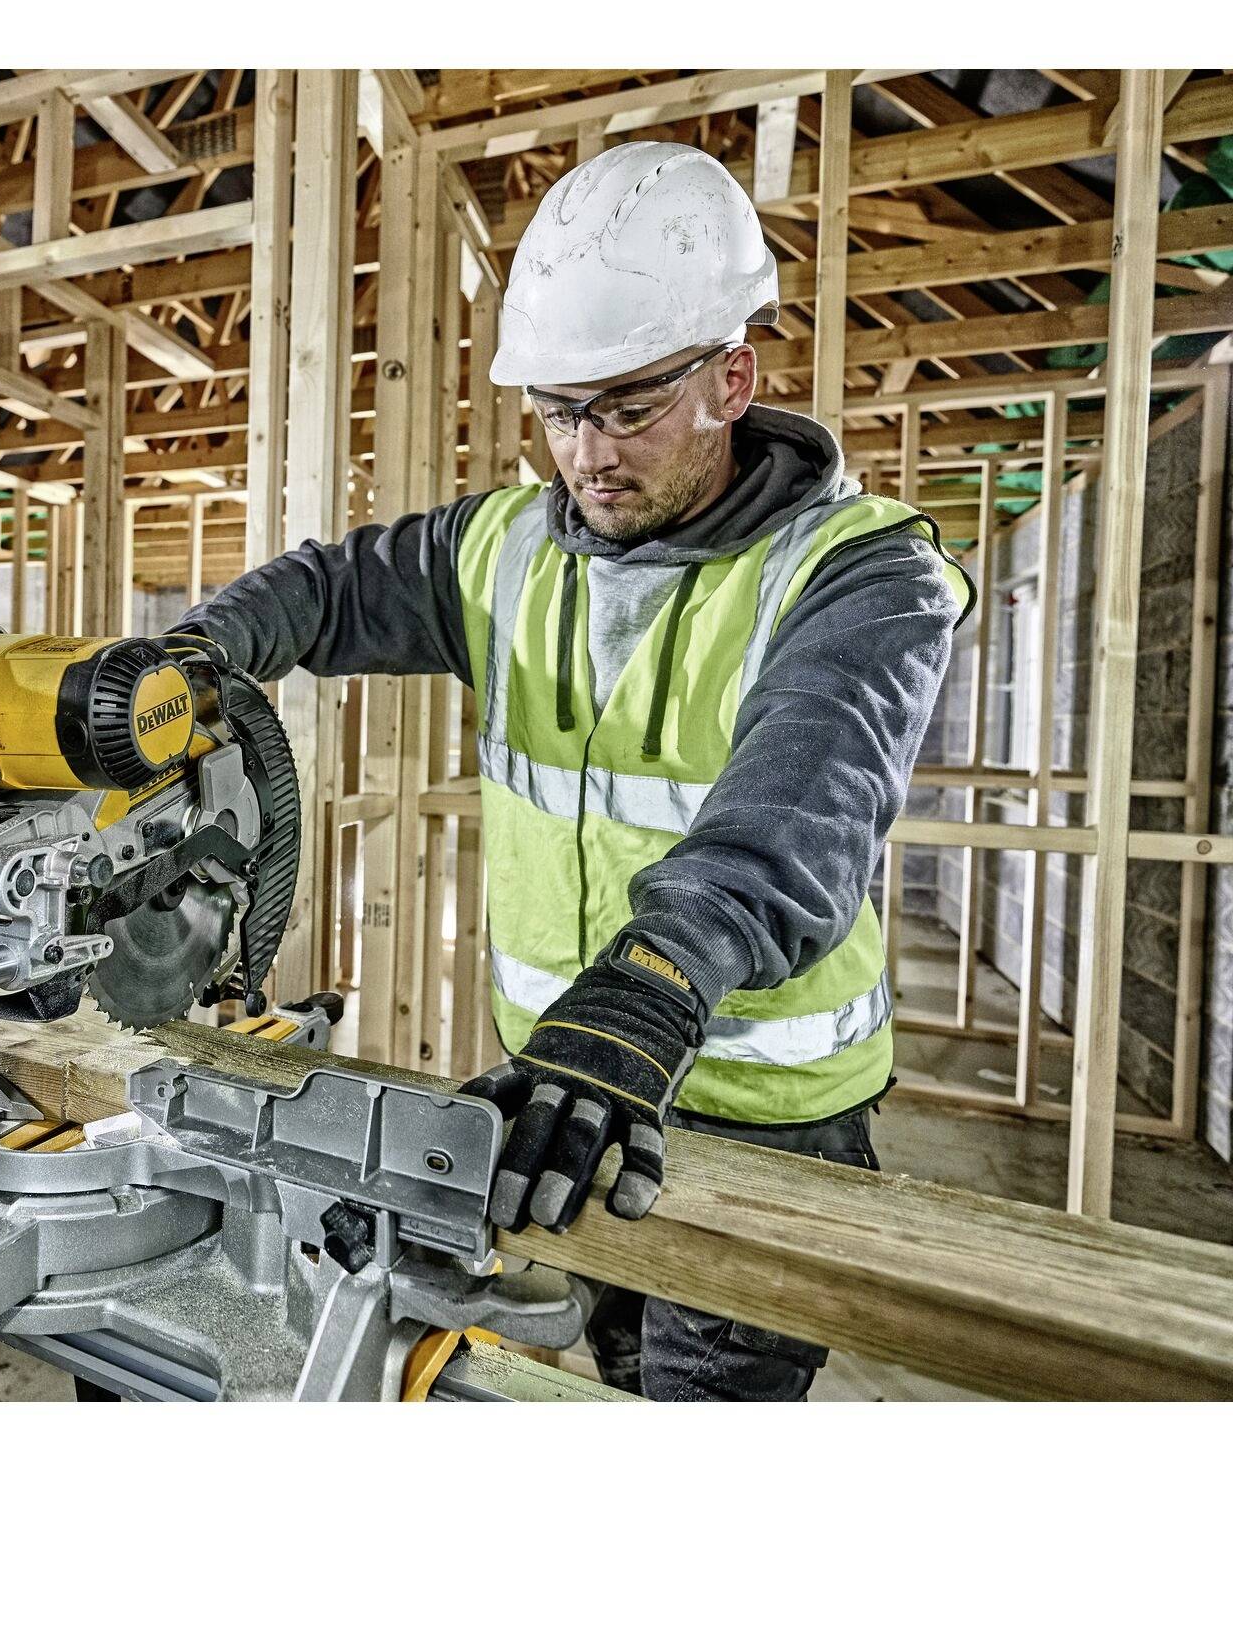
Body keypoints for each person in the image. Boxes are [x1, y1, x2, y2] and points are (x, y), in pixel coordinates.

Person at [177, 141, 972, 1401]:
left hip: (757, 1120)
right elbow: (325, 589)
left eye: (625, 406)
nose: (584, 451)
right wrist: (188, 655)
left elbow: (799, 813)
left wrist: (651, 985)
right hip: (565, 1095)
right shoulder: (499, 550)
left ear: (731, 376)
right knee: (596, 1384)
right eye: (554, 410)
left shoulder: (863, 572)